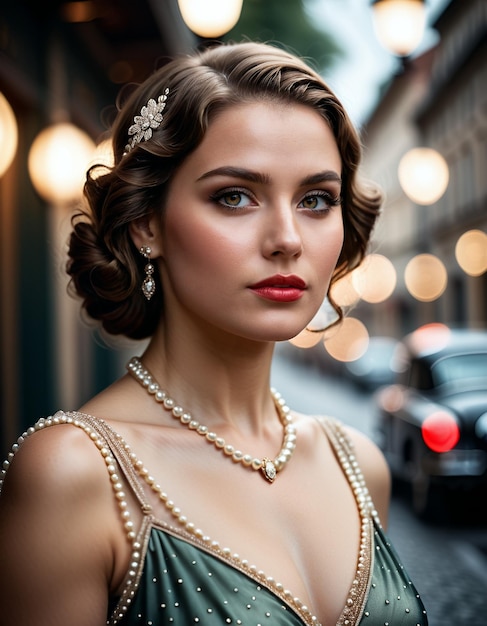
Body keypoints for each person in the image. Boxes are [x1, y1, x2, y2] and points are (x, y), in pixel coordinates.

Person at [0, 41, 428, 626]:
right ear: (146, 221)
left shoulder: (358, 463)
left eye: (315, 200)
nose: (287, 239)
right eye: (234, 196)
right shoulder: (75, 472)